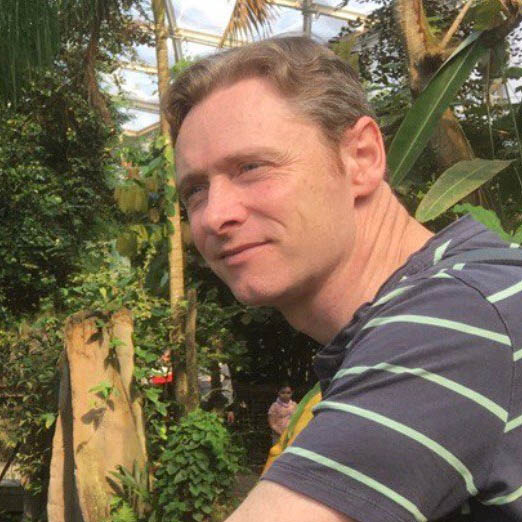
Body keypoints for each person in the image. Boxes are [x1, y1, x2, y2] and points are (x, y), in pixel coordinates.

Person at [164, 36, 522, 522]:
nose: (213, 216)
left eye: (251, 167)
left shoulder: (457, 319)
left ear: (362, 157)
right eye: (195, 191)